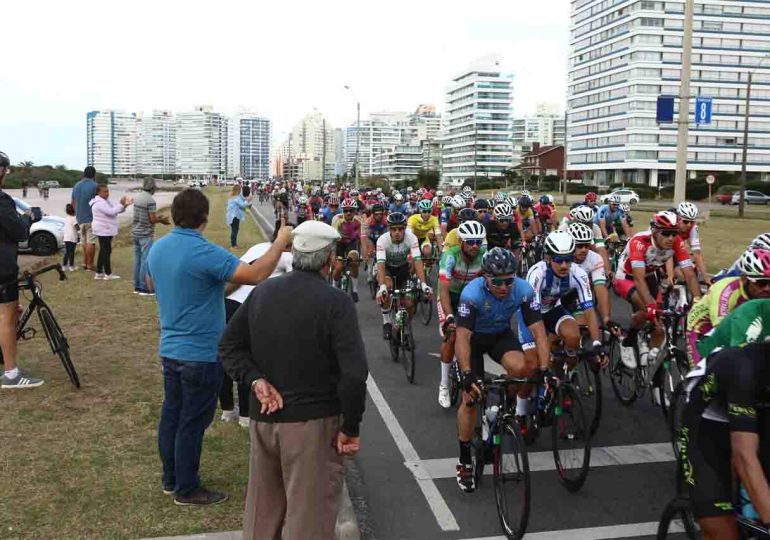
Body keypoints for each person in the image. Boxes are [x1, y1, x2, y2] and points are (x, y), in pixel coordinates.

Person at [219, 220, 368, 540]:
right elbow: (354, 374)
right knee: (308, 519)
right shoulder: (335, 302)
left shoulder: (263, 293)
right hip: (313, 424)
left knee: (262, 513)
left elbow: (229, 347)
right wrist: (350, 427)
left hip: (264, 420)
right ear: (329, 260)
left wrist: (255, 380)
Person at [146, 188, 293, 506]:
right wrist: (280, 241)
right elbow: (255, 274)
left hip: (170, 349)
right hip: (200, 353)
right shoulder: (204, 251)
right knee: (192, 422)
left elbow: (151, 283)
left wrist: (200, 290)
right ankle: (187, 488)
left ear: (174, 215)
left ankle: (171, 479)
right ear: (204, 217)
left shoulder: (158, 249)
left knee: (172, 415)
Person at [454, 248, 550, 492]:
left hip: (500, 337)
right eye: (498, 281)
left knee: (524, 369)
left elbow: (539, 331)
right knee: (470, 399)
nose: (505, 287)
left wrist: (545, 368)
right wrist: (466, 374)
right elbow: (462, 337)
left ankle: (502, 403)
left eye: (509, 280)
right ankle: (464, 459)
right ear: (485, 277)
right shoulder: (471, 293)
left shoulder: (523, 289)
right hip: (473, 341)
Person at [678, 300, 770, 540]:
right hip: (708, 418)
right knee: (722, 529)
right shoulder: (744, 367)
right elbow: (743, 456)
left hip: (759, 409)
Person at [220, 224, 294, 427]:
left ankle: (227, 410)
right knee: (247, 360)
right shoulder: (287, 256)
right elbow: (296, 282)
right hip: (248, 309)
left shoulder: (257, 248)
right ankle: (245, 414)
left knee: (226, 358)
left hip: (228, 303)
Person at [0, 151, 42, 389]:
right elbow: (19, 232)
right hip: (3, 268)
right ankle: (12, 374)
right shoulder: (2, 200)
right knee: (7, 317)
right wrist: (29, 218)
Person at [686, 247, 770, 367]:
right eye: (760, 283)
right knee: (710, 373)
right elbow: (723, 333)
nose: (767, 288)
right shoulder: (726, 291)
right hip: (705, 326)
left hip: (739, 322)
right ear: (745, 279)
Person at [437, 220, 487, 408]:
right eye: (470, 241)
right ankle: (443, 384)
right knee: (451, 336)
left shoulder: (484, 256)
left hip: (469, 299)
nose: (475, 246)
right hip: (449, 296)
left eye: (478, 242)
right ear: (461, 241)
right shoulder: (450, 257)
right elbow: (443, 291)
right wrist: (450, 317)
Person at [132, 178, 169, 295]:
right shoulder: (150, 200)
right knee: (145, 261)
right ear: (153, 188)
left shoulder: (138, 198)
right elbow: (152, 219)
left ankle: (137, 286)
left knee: (137, 260)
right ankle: (144, 287)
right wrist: (162, 220)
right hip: (145, 234)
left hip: (135, 232)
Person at [90, 184, 132, 280]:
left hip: (106, 229)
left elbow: (115, 209)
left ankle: (99, 272)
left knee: (103, 250)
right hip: (103, 229)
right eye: (104, 191)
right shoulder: (99, 203)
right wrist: (122, 205)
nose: (107, 193)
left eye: (107, 191)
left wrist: (123, 204)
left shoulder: (106, 201)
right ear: (98, 192)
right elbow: (112, 212)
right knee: (106, 250)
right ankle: (108, 274)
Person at [71, 166, 99, 271]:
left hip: (80, 218)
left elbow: (73, 202)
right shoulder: (95, 186)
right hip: (92, 218)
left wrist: (76, 215)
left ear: (84, 174)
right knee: (90, 242)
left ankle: (84, 262)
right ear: (94, 175)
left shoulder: (76, 185)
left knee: (83, 242)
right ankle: (90, 265)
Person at [226, 184, 252, 249]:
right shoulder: (236, 198)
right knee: (234, 230)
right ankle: (233, 245)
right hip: (234, 216)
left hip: (232, 216)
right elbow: (243, 205)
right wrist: (248, 200)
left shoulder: (234, 197)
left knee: (235, 229)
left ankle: (234, 244)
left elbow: (242, 202)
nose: (241, 191)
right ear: (238, 190)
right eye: (240, 189)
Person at [62, 203, 78, 271]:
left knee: (67, 252)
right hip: (72, 238)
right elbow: (77, 228)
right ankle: (71, 266)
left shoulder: (66, 218)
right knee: (72, 252)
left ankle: (64, 266)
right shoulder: (74, 218)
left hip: (66, 237)